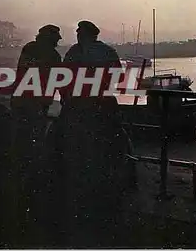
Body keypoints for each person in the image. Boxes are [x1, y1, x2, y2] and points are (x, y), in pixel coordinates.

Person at [53, 20, 135, 246]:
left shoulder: (72, 52)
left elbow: (62, 80)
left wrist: (68, 100)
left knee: (70, 148)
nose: (77, 34)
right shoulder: (107, 51)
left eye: (79, 32)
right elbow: (118, 79)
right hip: (101, 106)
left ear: (84, 34)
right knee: (111, 146)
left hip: (77, 108)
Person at [9, 24, 62, 246]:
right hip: (36, 103)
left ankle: (20, 176)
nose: (58, 40)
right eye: (56, 38)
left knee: (20, 138)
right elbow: (57, 80)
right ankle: (31, 181)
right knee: (35, 139)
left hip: (20, 99)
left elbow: (22, 72)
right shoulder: (53, 55)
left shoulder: (29, 48)